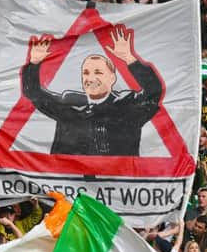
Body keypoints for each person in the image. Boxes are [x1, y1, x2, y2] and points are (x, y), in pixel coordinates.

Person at [22, 24, 162, 156]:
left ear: (112, 78)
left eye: (98, 72)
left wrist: (129, 58)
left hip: (117, 179)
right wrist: (34, 64)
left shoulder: (127, 103)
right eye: (86, 73)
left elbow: (153, 92)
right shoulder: (69, 101)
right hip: (69, 178)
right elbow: (35, 94)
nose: (91, 78)